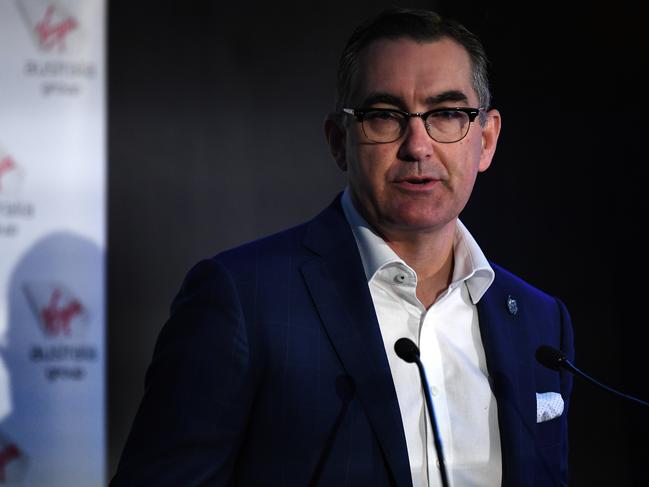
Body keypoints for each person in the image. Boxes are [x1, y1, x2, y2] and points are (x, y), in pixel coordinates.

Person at [111, 7, 574, 487]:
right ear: (339, 141)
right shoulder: (242, 301)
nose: (418, 145)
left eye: (447, 114)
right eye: (384, 116)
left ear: (487, 139)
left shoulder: (541, 324)